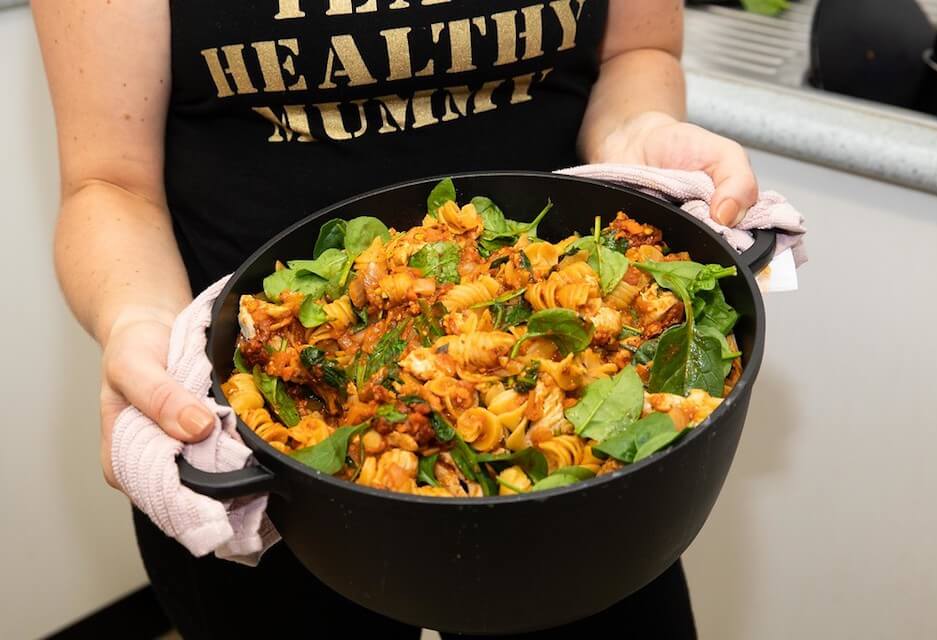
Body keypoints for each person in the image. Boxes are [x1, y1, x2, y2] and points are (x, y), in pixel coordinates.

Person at [34, 1, 757, 637]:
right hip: (275, 445)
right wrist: (136, 320)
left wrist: (640, 131)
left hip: (587, 428)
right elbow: (108, 180)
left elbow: (637, 51)